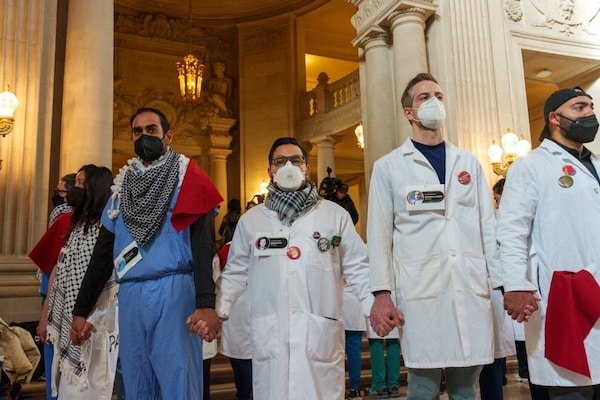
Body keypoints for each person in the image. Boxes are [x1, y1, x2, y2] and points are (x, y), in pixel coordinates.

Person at [70, 107, 223, 399]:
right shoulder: (120, 188)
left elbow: (204, 246)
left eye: (151, 130)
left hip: (174, 291)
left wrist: (206, 303)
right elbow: (102, 256)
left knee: (178, 378)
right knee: (135, 379)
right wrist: (81, 310)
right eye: (137, 131)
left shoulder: (188, 176)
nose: (144, 136)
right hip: (130, 294)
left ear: (168, 135)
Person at [368, 73, 497, 400]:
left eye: (438, 94)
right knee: (422, 387)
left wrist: (503, 283)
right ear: (409, 112)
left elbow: (487, 228)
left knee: (466, 385)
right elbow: (380, 236)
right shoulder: (389, 167)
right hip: (421, 290)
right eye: (424, 97)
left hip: (469, 288)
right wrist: (382, 294)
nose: (434, 101)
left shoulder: (468, 162)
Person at [213, 137, 371, 399]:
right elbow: (236, 273)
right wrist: (217, 311)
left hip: (318, 339)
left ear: (307, 169)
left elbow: (359, 267)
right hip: (271, 339)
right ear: (270, 171)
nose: (288, 166)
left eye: (295, 160)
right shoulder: (251, 221)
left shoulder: (334, 216)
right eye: (279, 161)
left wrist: (373, 306)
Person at [496, 87, 600, 399]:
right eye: (579, 107)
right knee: (571, 383)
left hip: (595, 286)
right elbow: (511, 229)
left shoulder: (596, 162)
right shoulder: (531, 166)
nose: (589, 114)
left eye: (591, 107)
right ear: (555, 118)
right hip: (562, 293)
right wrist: (515, 283)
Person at [40, 164, 117, 398]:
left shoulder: (107, 230)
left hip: (95, 328)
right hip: (70, 323)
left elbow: (112, 283)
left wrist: (91, 319)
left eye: (82, 183)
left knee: (88, 391)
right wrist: (46, 316)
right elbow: (60, 273)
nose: (76, 188)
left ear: (96, 188)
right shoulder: (77, 228)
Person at [30, 172, 75, 400]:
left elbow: (52, 259)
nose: (57, 196)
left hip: (57, 293)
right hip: (70, 296)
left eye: (61, 191)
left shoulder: (63, 215)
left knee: (54, 356)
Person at [366, 288, 401, 399]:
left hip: (375, 295)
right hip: (394, 295)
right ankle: (393, 384)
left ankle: (379, 385)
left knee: (376, 341)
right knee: (393, 342)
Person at [342, 275, 368, 400]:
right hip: (354, 306)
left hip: (340, 307)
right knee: (354, 354)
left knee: (337, 355)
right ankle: (355, 389)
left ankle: (341, 388)